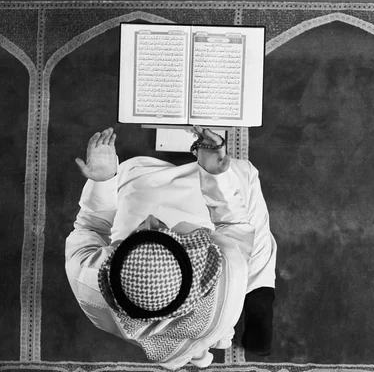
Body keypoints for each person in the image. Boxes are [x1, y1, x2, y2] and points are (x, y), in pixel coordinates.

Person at [65, 126, 276, 369]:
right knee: (244, 175)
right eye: (162, 229)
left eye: (141, 233)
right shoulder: (228, 276)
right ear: (199, 269)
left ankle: (194, 353)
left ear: (111, 262)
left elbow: (90, 229)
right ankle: (259, 294)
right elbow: (235, 223)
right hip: (218, 317)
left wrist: (103, 180)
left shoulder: (88, 282)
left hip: (186, 330)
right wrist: (214, 174)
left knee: (129, 173)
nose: (151, 219)